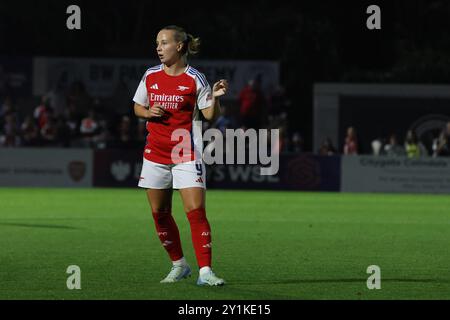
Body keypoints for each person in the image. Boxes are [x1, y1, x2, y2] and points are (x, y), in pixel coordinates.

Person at [132, 25, 228, 286]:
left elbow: (209, 116)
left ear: (180, 46)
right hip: (155, 153)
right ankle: (179, 265)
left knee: (195, 211)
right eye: (157, 43)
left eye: (164, 43)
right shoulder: (150, 75)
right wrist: (148, 112)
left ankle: (205, 271)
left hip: (187, 154)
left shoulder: (195, 78)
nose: (158, 48)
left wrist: (216, 98)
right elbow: (137, 107)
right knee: (160, 212)